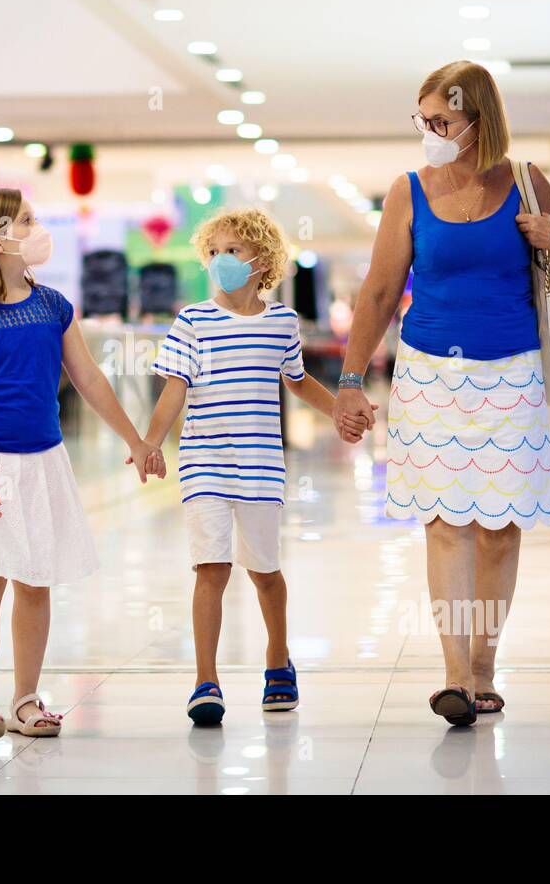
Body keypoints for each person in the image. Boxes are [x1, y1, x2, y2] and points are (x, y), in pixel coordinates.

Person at [333, 60, 550, 726]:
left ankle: (485, 667)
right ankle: (454, 674)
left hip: (512, 372)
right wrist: (352, 377)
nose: (430, 131)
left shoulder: (528, 183)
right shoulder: (408, 191)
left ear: (480, 120)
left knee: (501, 531)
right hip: (429, 375)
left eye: (442, 120)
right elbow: (381, 291)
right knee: (446, 525)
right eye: (423, 120)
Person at [0, 188, 161, 742]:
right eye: (28, 221)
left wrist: (134, 439)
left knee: (34, 583)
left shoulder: (54, 305)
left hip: (42, 464)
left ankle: (26, 698)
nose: (40, 228)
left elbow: (88, 378)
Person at [143, 207, 371, 724]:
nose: (221, 260)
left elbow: (296, 380)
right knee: (211, 567)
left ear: (261, 260)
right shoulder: (193, 320)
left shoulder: (281, 322)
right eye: (215, 251)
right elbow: (173, 389)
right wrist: (150, 442)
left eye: (233, 251)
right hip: (204, 464)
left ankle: (278, 659)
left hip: (262, 465)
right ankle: (206, 679)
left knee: (264, 570)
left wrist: (340, 407)